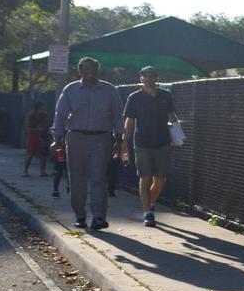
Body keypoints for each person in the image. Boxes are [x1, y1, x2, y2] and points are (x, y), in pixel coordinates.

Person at [51, 57, 124, 230]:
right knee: (77, 179)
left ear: (98, 71)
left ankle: (99, 217)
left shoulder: (109, 90)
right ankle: (80, 216)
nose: (90, 72)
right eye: (86, 69)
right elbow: (60, 115)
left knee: (98, 178)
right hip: (76, 138)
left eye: (93, 69)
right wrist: (57, 139)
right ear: (80, 71)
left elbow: (118, 116)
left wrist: (119, 140)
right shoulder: (71, 90)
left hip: (101, 138)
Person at [122, 65, 179, 226]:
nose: (149, 78)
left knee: (160, 180)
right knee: (145, 177)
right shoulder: (134, 97)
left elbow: (171, 116)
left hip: (163, 142)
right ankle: (148, 213)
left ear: (157, 78)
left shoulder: (165, 95)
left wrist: (178, 135)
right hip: (142, 143)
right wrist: (123, 142)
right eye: (145, 76)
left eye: (152, 76)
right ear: (141, 78)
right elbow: (130, 121)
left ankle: (150, 202)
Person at [23, 101, 51, 176]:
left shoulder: (44, 115)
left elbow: (48, 125)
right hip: (33, 136)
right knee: (30, 154)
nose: (43, 108)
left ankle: (42, 171)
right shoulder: (30, 115)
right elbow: (27, 127)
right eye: (42, 107)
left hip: (42, 136)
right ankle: (25, 171)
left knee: (42, 154)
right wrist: (36, 129)